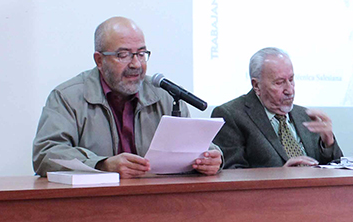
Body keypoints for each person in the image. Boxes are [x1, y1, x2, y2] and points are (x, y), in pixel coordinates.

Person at [32, 16, 222, 177]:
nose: (136, 64)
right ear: (99, 60)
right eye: (123, 55)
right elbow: (46, 154)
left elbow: (195, 145)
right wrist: (102, 164)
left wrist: (212, 158)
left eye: (141, 53)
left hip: (156, 202)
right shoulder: (68, 97)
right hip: (93, 205)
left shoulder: (163, 95)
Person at [212, 47, 342, 168]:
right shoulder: (231, 115)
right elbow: (233, 175)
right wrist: (281, 177)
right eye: (279, 83)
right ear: (256, 85)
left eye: (291, 80)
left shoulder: (305, 115)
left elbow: (338, 169)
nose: (289, 90)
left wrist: (328, 143)